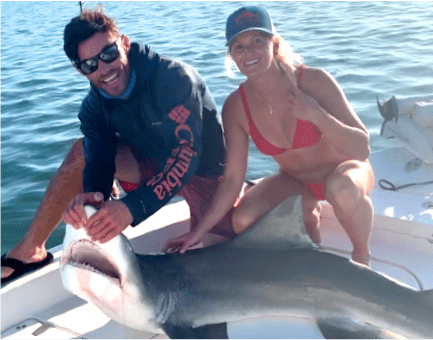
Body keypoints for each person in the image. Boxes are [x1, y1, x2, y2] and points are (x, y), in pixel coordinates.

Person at [1, 6, 235, 285]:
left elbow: (186, 154)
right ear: (79, 70)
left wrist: (131, 207)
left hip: (204, 173)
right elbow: (99, 161)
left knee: (215, 261)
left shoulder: (173, 79)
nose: (104, 68)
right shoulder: (93, 108)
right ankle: (31, 251)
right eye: (89, 65)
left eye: (108, 54)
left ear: (124, 42)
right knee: (82, 152)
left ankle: (239, 198)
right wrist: (93, 199)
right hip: (151, 164)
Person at [164, 6, 375, 266]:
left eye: (257, 42)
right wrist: (197, 232)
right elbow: (232, 179)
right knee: (242, 220)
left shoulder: (314, 81)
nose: (248, 52)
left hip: (346, 170)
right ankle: (312, 247)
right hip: (295, 181)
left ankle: (361, 256)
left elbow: (362, 148)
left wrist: (317, 115)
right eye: (238, 47)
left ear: (274, 44)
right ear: (231, 55)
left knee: (340, 188)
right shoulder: (236, 106)